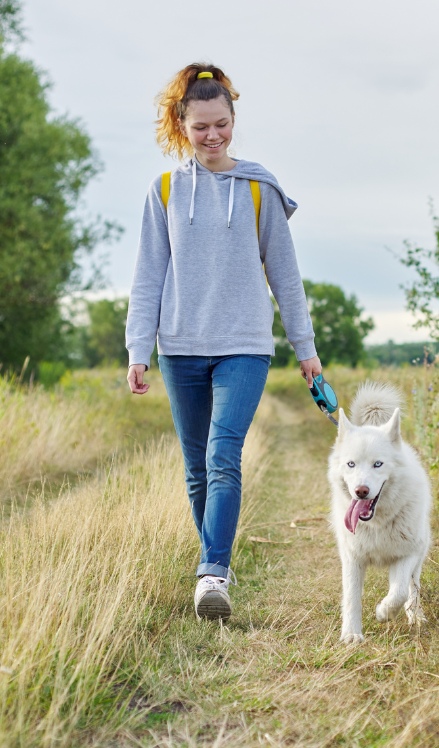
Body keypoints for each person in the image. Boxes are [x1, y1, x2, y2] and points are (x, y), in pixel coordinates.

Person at [125, 63, 322, 622]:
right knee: (195, 468)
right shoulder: (164, 190)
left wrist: (304, 350)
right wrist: (139, 348)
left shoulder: (260, 190)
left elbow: (286, 277)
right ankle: (218, 563)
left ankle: (211, 572)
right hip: (181, 346)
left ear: (234, 119)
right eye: (200, 127)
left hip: (244, 344)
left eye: (222, 125)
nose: (212, 137)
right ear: (181, 125)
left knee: (222, 454)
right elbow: (148, 276)